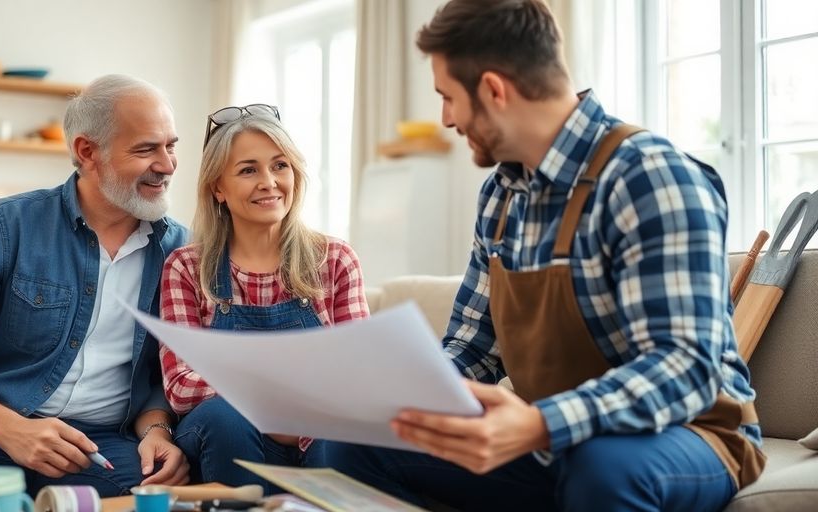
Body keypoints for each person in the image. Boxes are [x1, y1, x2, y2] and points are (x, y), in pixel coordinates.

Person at [319, 1, 766, 511]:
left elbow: (685, 368)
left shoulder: (648, 177)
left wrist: (541, 423)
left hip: (689, 433)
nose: (445, 119)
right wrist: (417, 402)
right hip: (552, 439)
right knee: (355, 445)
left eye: (447, 97)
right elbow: (472, 349)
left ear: (493, 89)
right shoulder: (500, 196)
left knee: (600, 465)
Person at [0, 75, 191, 510]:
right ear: (87, 152)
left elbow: (167, 372)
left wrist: (158, 431)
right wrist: (8, 428)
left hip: (100, 443)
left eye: (170, 146)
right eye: (145, 149)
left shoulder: (181, 251)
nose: (168, 164)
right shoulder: (6, 226)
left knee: (156, 494)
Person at [158, 106, 368, 492]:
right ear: (217, 188)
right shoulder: (187, 267)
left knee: (339, 433)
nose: (269, 182)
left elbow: (354, 374)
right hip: (227, 435)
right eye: (248, 170)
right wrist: (275, 406)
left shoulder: (336, 260)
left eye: (280, 165)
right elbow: (181, 385)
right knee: (225, 417)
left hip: (313, 429)